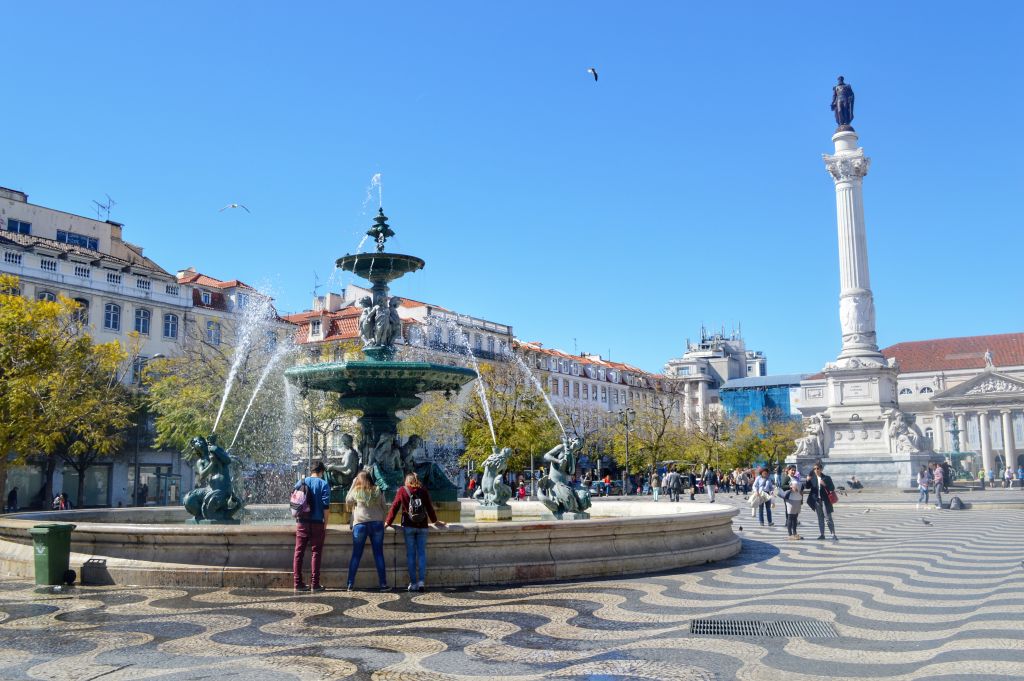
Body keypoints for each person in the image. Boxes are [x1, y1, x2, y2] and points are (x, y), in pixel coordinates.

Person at [385, 472, 445, 592]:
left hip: (409, 526)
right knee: (422, 554)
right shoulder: (423, 490)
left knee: (411, 555)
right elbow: (429, 507)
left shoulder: (402, 490)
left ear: (407, 480)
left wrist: (388, 522)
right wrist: (435, 521)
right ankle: (421, 582)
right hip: (422, 526)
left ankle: (413, 583)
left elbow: (395, 507)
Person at [344, 471, 390, 592]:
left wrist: (353, 484)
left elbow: (347, 500)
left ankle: (350, 584)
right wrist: (382, 520)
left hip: (360, 525)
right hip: (377, 524)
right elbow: (385, 507)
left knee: (356, 555)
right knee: (379, 554)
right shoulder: (378, 490)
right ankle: (383, 584)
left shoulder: (356, 491)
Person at [293, 461, 332, 592]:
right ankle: (315, 584)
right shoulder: (323, 484)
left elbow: (294, 501)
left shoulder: (301, 482)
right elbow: (326, 507)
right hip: (317, 523)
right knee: (316, 553)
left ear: (311, 471)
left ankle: (297, 583)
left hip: (302, 522)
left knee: (299, 553)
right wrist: (325, 524)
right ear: (322, 472)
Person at [804, 462, 837, 541]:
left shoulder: (826, 478)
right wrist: (807, 480)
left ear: (821, 469)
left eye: (817, 468)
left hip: (825, 500)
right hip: (816, 501)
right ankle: (822, 534)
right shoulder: (813, 478)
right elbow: (807, 487)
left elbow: (832, 488)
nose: (816, 470)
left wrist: (825, 484)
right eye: (814, 469)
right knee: (820, 518)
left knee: (828, 518)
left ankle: (833, 534)